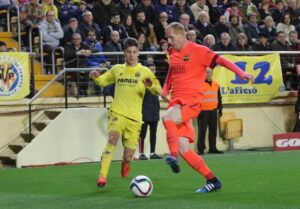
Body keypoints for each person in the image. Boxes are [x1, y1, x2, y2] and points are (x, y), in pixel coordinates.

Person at [161, 22, 254, 193]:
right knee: (184, 148)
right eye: (167, 37)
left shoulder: (199, 51)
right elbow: (172, 71)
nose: (169, 41)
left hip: (192, 101)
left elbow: (222, 61)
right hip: (177, 100)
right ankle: (213, 180)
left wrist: (242, 74)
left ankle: (172, 156)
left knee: (167, 118)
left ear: (182, 35)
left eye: (171, 37)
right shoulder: (172, 51)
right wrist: (165, 89)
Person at [89, 37, 162, 188]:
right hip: (117, 113)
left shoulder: (145, 71)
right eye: (128, 52)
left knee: (128, 156)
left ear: (138, 53)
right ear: (124, 53)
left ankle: (125, 163)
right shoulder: (117, 69)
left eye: (134, 52)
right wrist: (95, 78)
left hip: (135, 119)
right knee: (112, 139)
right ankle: (102, 176)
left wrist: (150, 86)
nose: (131, 55)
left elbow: (158, 90)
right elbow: (103, 81)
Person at [139, 62, 163, 160]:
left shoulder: (156, 80)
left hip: (154, 110)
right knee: (142, 133)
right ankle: (141, 153)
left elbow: (160, 91)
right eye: (151, 70)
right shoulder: (141, 81)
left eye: (154, 69)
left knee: (153, 133)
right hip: (144, 110)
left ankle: (152, 153)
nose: (153, 71)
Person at [197, 68, 223, 155]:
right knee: (202, 131)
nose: (208, 74)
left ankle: (213, 148)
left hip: (213, 110)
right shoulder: (199, 84)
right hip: (203, 111)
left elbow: (219, 97)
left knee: (213, 130)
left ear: (212, 73)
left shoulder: (216, 84)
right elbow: (196, 98)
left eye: (209, 72)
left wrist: (220, 109)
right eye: (206, 72)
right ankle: (201, 149)